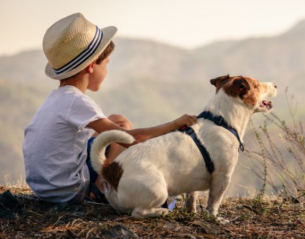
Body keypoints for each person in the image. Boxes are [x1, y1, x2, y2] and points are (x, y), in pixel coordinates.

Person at [22, 13, 197, 204]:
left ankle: (101, 180)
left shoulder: (56, 98)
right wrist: (174, 125)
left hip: (45, 187)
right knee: (123, 134)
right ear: (91, 66)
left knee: (118, 120)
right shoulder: (77, 102)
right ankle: (100, 187)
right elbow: (133, 139)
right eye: (105, 64)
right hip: (69, 190)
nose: (106, 71)